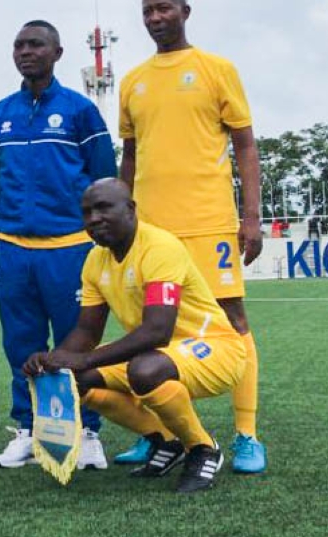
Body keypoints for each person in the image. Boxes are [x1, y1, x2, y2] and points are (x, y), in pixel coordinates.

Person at [118, 0, 266, 473]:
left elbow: (245, 144)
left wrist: (250, 216)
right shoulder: (132, 81)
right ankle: (164, 434)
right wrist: (124, 217)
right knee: (148, 330)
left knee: (233, 319)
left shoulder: (216, 69)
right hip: (151, 228)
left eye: (163, 8)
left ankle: (246, 434)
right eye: (147, 11)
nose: (154, 17)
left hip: (208, 222)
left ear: (185, 11)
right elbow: (130, 155)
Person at [24, 179, 247, 493]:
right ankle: (166, 441)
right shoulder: (95, 260)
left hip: (216, 347)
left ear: (130, 209)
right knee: (75, 379)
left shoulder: (159, 247)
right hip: (158, 354)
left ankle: (202, 448)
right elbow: (87, 331)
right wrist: (54, 360)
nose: (93, 219)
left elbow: (157, 331)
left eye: (103, 208)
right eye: (87, 212)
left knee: (145, 370)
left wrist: (85, 358)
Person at [0, 21, 116, 470]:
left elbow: (103, 178)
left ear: (57, 53)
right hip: (14, 247)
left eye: (35, 44)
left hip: (70, 246)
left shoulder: (81, 110)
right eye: (19, 45)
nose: (25, 52)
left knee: (78, 341)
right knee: (21, 342)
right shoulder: (0, 113)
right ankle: (28, 428)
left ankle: (88, 430)